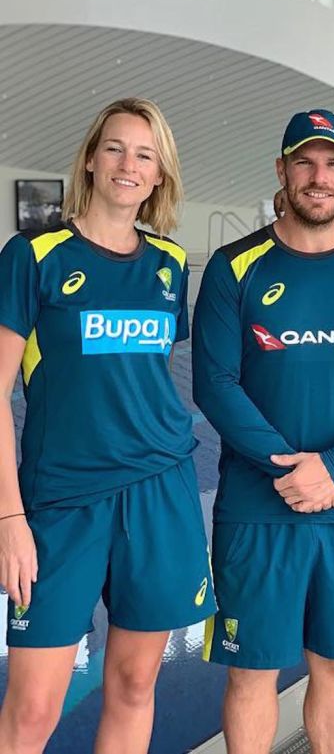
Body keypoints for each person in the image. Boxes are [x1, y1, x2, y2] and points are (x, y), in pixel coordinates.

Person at [192, 108, 334, 754]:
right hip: (256, 509)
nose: (318, 177)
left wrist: (332, 466)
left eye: (332, 163)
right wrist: (289, 468)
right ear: (281, 170)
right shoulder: (234, 267)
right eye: (304, 161)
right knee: (251, 671)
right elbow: (213, 384)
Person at [0, 98, 214, 753]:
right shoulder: (33, 256)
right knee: (34, 706)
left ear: (159, 175)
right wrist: (9, 518)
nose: (129, 163)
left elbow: (148, 381)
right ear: (91, 159)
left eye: (145, 154)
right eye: (116, 148)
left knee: (132, 684)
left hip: (159, 493)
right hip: (60, 501)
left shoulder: (170, 265)